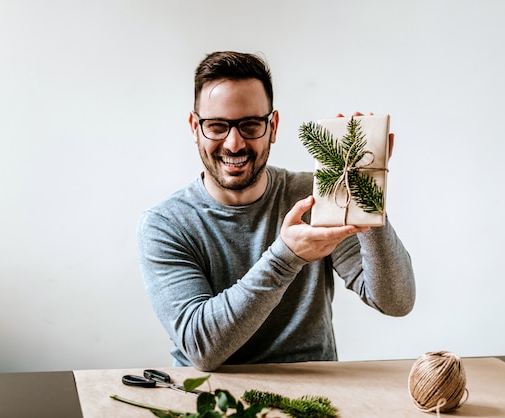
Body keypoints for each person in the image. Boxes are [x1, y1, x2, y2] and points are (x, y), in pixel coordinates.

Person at [137, 51, 416, 372]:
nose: (233, 144)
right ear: (194, 127)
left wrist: (365, 188)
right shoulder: (165, 224)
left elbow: (396, 301)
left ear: (273, 126)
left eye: (250, 125)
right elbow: (201, 348)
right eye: (216, 126)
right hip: (208, 395)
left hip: (315, 394)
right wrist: (286, 257)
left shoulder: (315, 196)